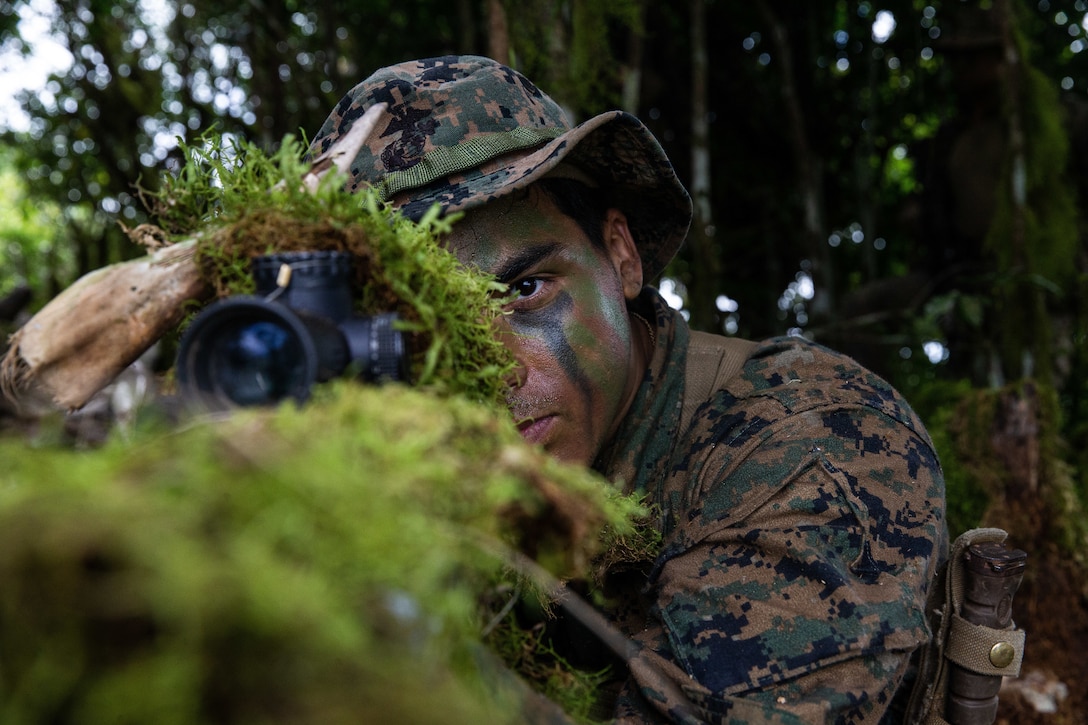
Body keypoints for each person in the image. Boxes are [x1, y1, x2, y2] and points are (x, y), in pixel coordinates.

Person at [308, 55, 947, 724]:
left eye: (524, 290)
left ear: (620, 255)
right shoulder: (404, 467)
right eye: (423, 325)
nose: (490, 369)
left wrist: (383, 629)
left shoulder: (813, 438)